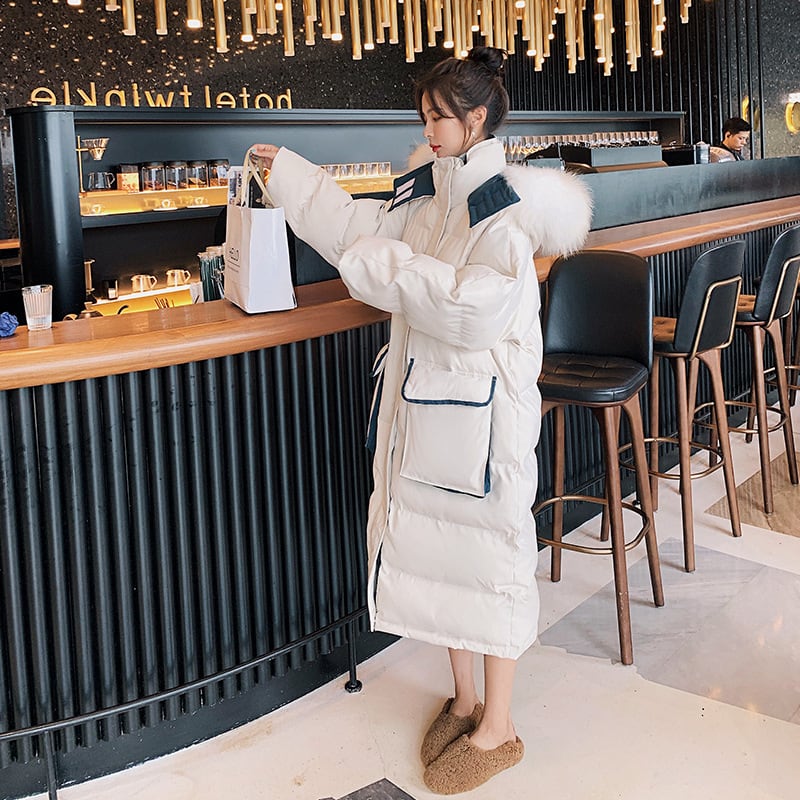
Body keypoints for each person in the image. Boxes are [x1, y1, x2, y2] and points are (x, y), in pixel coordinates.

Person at [252, 46, 591, 795]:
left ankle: (500, 728)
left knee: (492, 560)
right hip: (432, 409)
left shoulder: (503, 209)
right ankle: (465, 700)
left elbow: (473, 309)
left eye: (439, 117)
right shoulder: (429, 191)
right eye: (426, 116)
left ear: (477, 119)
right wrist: (292, 178)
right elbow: (357, 228)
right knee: (444, 560)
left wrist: (384, 269)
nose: (428, 130)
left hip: (486, 422)